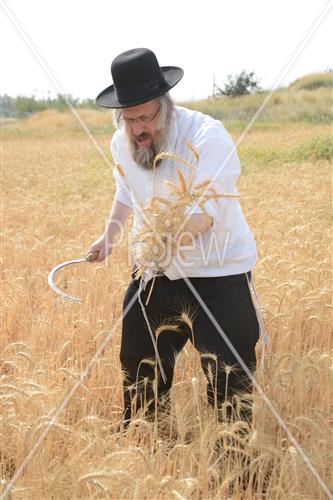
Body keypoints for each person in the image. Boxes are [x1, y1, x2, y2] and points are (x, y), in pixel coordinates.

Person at [88, 48, 260, 429]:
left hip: (218, 274)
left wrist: (164, 247)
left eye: (145, 117)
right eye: (128, 119)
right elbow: (126, 190)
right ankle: (145, 439)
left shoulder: (207, 136)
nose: (137, 130)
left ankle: (235, 461)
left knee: (228, 373)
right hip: (153, 274)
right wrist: (109, 235)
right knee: (138, 361)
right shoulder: (123, 142)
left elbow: (204, 214)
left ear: (165, 105)